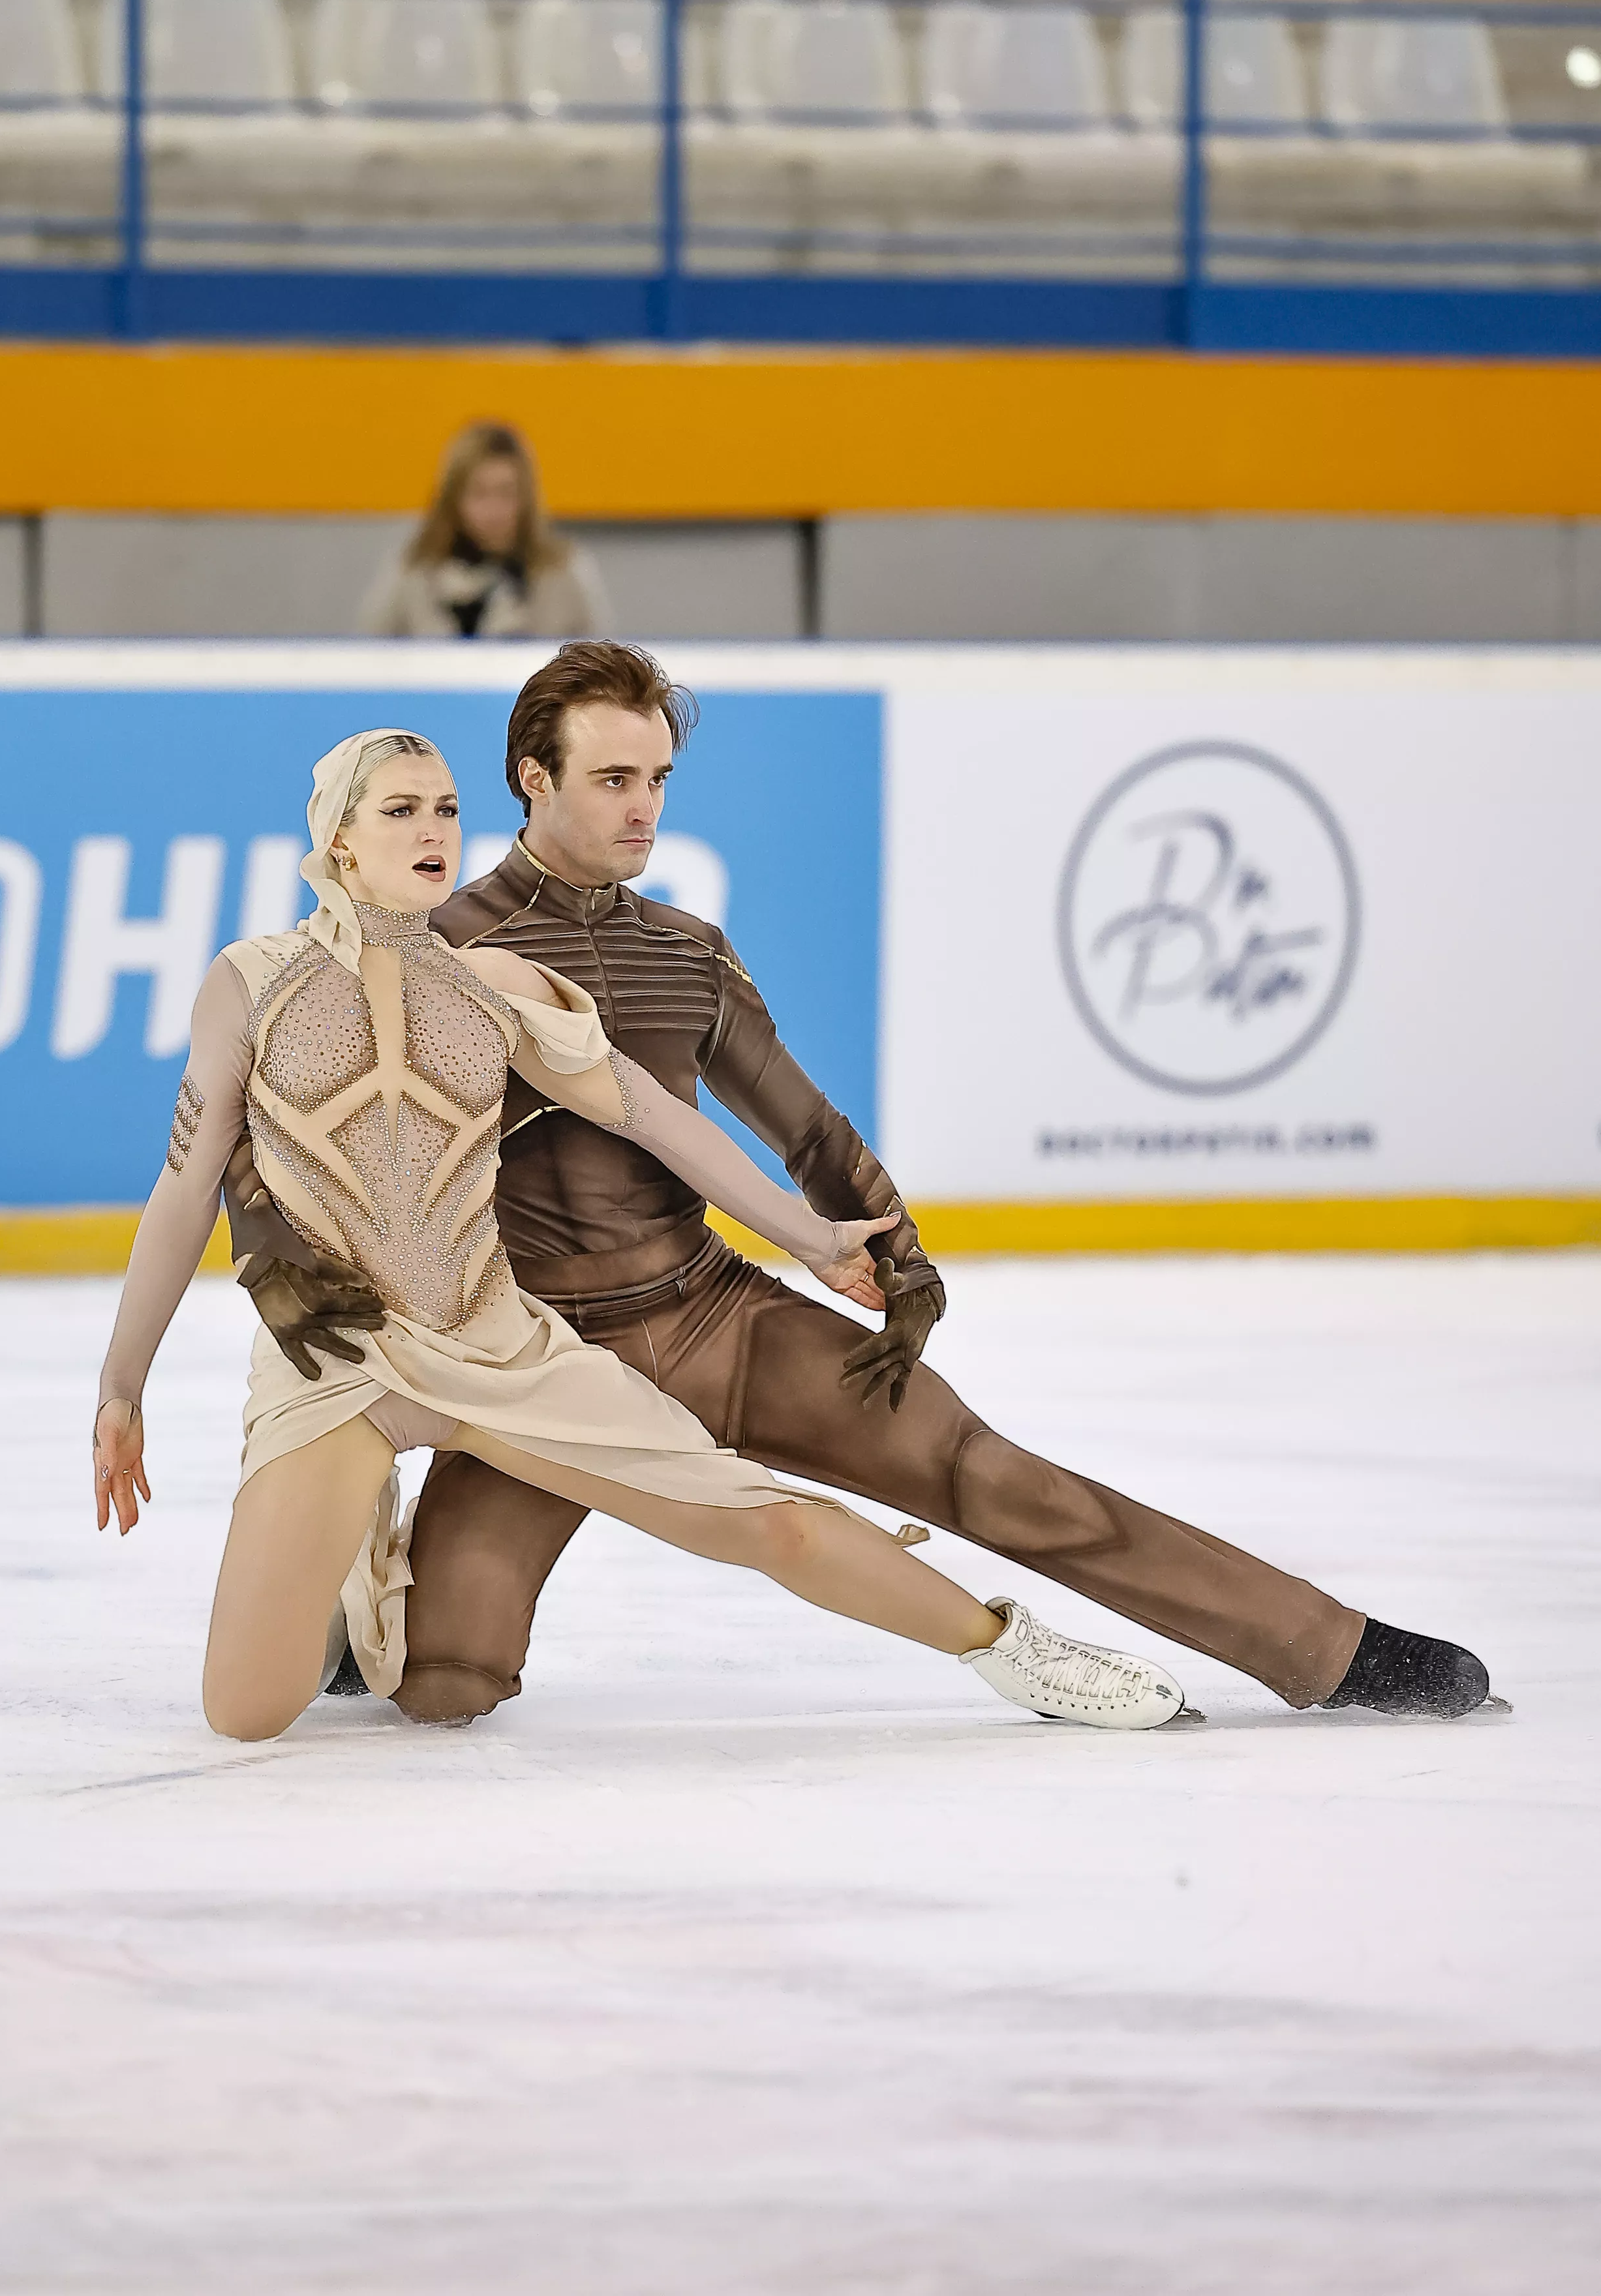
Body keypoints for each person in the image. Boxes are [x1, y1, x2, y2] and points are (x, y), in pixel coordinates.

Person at [228, 646, 1495, 1728]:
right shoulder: (436, 945)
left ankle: (1329, 1647)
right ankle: (366, 1599)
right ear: (532, 777)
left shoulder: (687, 950)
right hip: (541, 1353)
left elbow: (801, 1122)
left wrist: (897, 1253)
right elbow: (262, 1121)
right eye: (613, 778)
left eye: (658, 778)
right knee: (450, 1676)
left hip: (719, 1314)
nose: (643, 808)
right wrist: (265, 1243)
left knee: (993, 1473)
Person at [94, 726, 1193, 1742]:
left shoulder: (503, 990)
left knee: (767, 1523)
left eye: (444, 808)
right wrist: (120, 1389)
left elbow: (665, 1125)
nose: (434, 831)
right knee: (248, 1713)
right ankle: (360, 1572)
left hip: (500, 1352)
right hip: (336, 1364)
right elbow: (186, 1190)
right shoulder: (250, 984)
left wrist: (805, 1234)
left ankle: (1018, 1651)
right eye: (399, 811)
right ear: (336, 837)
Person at [358, 419, 610, 641]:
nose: (494, 510)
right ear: (453, 499)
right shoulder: (414, 572)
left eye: (506, 492)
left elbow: (603, 675)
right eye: (479, 493)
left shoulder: (564, 573)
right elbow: (369, 662)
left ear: (527, 499)